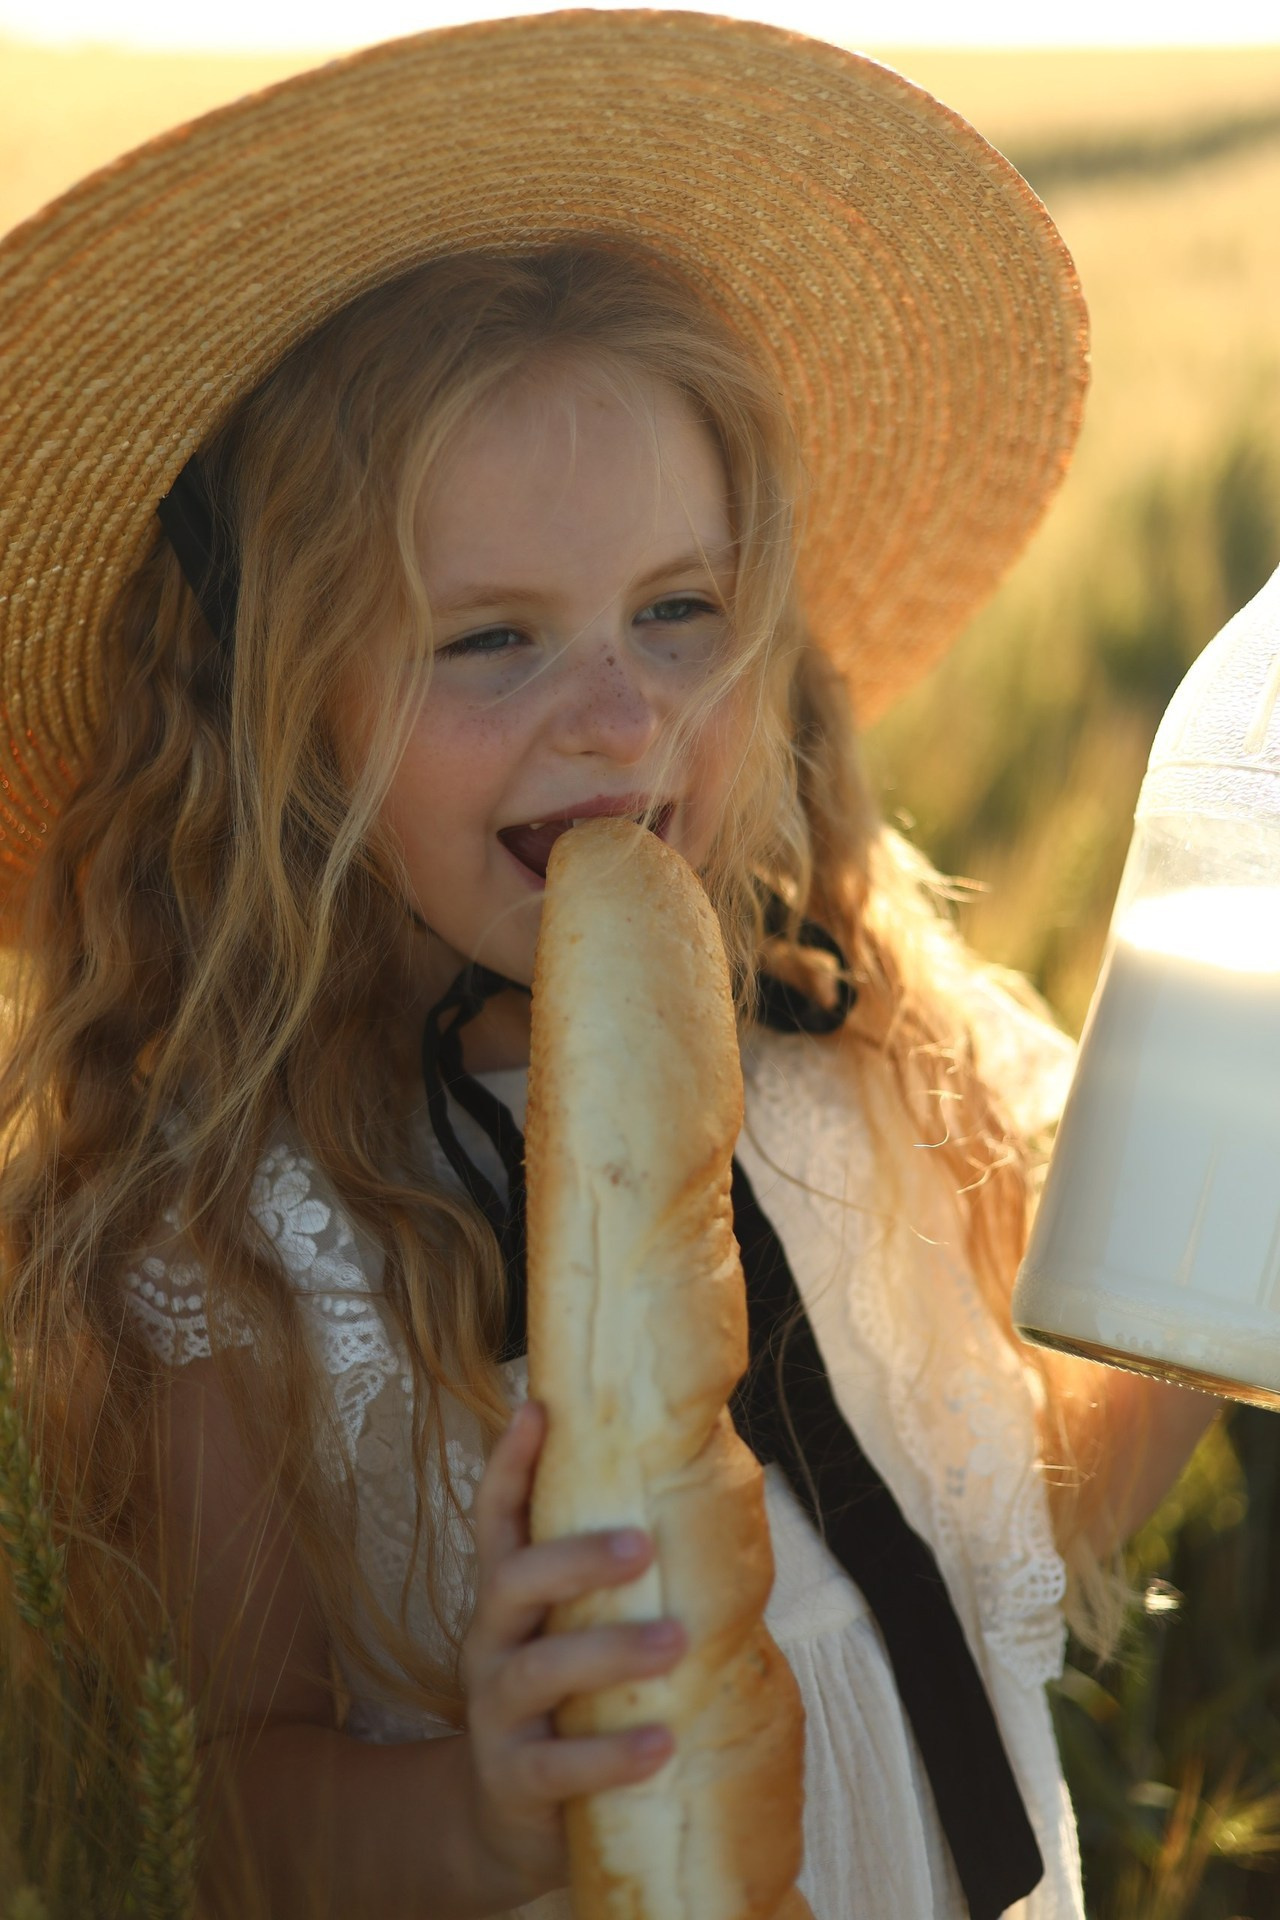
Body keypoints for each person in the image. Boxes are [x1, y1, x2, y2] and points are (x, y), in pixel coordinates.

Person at [0, 13, 1222, 1919]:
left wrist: (1214, 1258)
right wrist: (478, 1813)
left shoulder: (853, 1050)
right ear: (278, 721)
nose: (617, 715)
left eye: (678, 612)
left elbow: (1025, 1527)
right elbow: (208, 1809)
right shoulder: (238, 1243)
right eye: (487, 640)